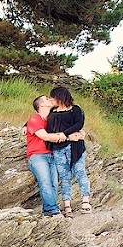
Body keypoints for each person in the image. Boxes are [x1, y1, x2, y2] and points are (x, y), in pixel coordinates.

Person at [46, 86, 91, 216]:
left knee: (79, 171)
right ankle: (67, 205)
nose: (52, 99)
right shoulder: (52, 112)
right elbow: (45, 124)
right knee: (65, 177)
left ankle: (86, 201)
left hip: (75, 146)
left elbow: (79, 124)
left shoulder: (75, 109)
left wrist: (64, 134)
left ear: (59, 97)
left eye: (53, 97)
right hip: (58, 148)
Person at [25, 95, 67, 216]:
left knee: (54, 183)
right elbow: (45, 136)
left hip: (51, 155)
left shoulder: (51, 119)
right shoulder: (34, 119)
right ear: (41, 105)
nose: (50, 99)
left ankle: (49, 210)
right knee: (46, 182)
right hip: (37, 156)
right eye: (47, 99)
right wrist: (62, 136)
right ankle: (52, 209)